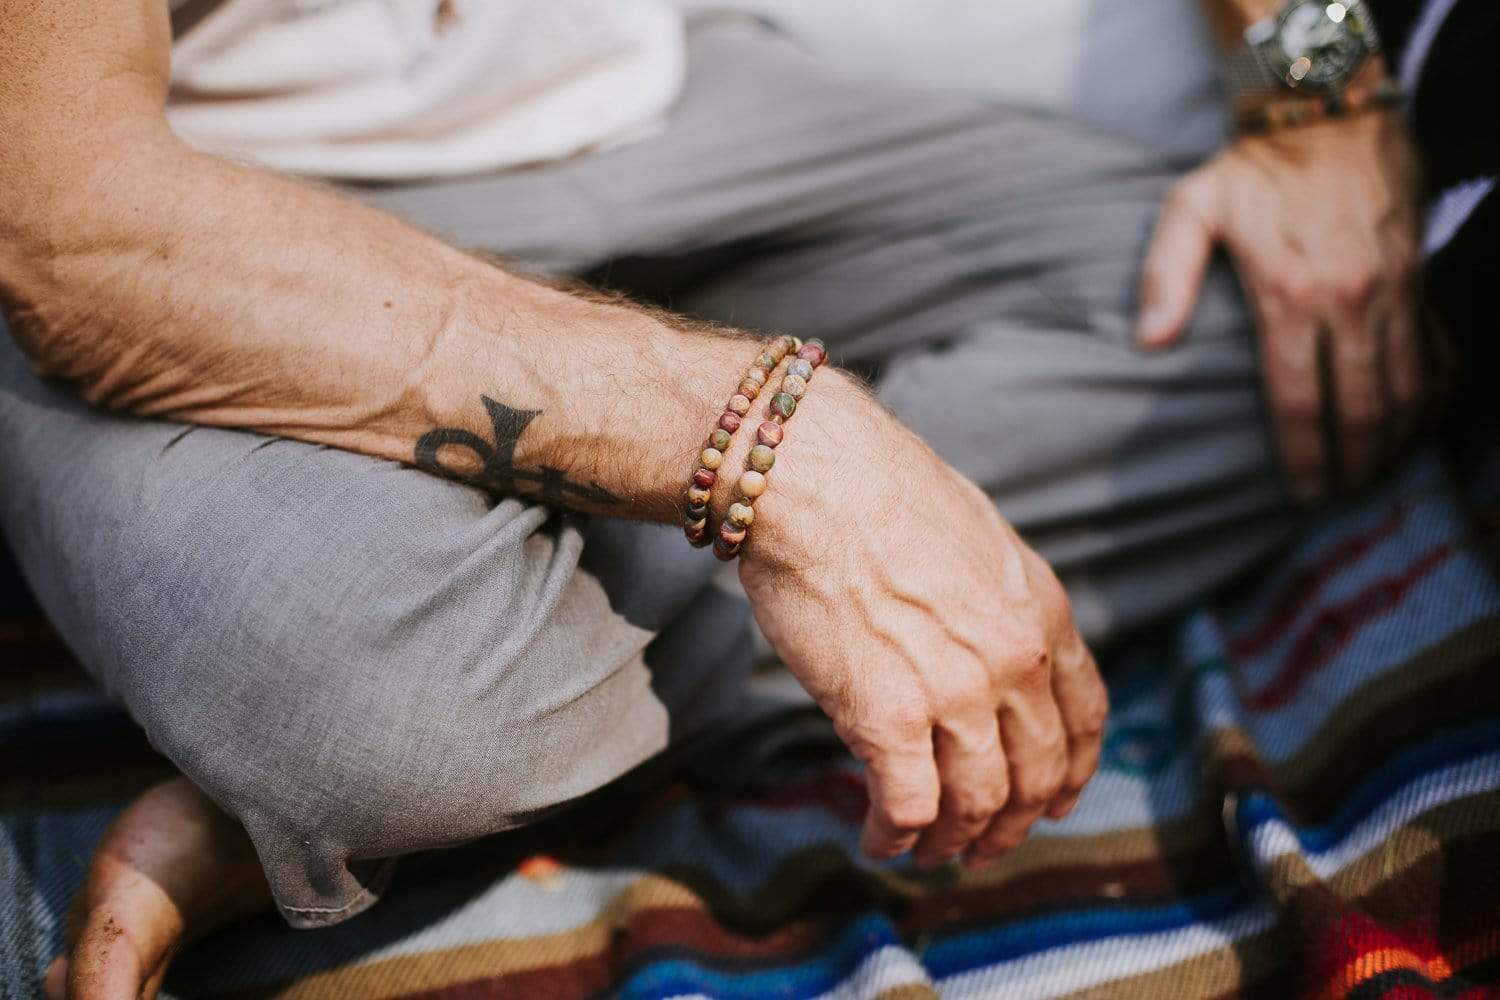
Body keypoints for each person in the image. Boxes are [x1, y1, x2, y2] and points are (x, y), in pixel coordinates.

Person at [3, 0, 1476, 996]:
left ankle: (415, 764)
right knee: (384, 718)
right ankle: (415, 747)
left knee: (1288, 339)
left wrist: (1312, 94)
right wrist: (778, 448)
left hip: (668, 97)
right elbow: (71, 219)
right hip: (214, 217)